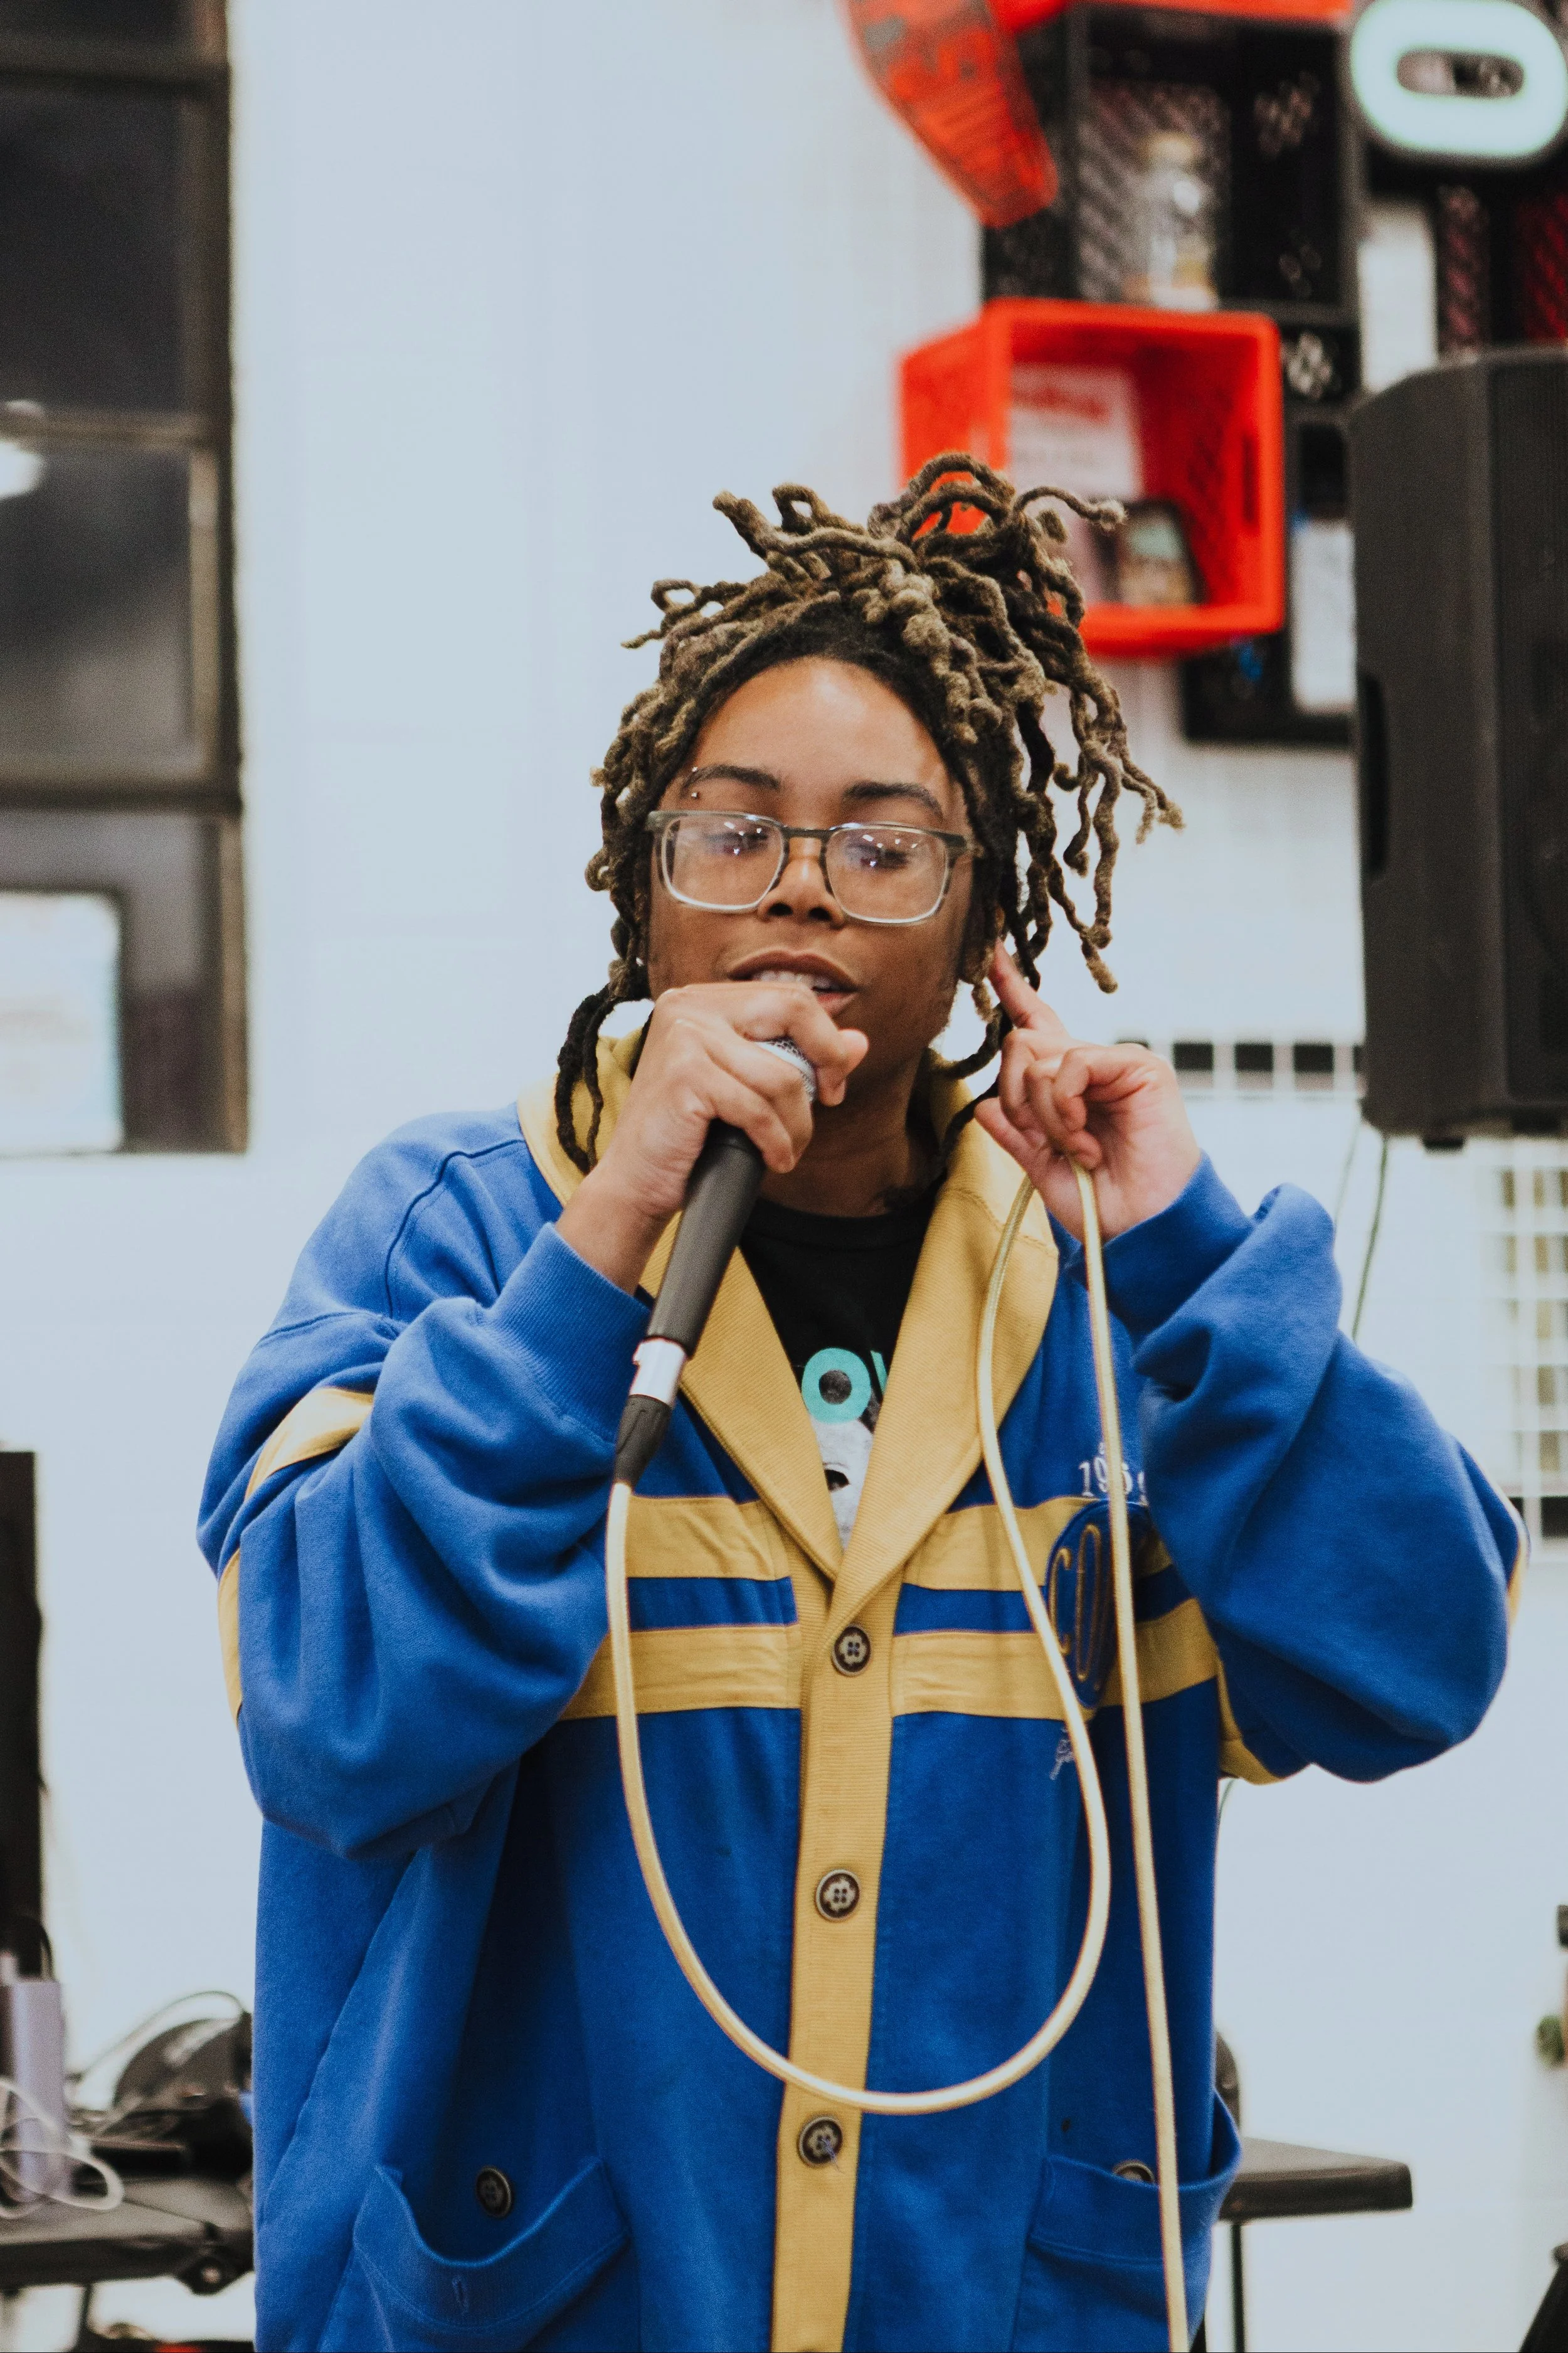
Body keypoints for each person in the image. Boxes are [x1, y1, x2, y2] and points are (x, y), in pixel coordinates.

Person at [201, 459, 1518, 2353]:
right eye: (730, 834)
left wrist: (1185, 1252)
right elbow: (329, 1716)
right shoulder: (456, 1234)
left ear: (984, 903)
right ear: (637, 889)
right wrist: (603, 1242)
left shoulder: (1099, 1294)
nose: (799, 888)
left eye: (880, 843)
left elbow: (1417, 1658)